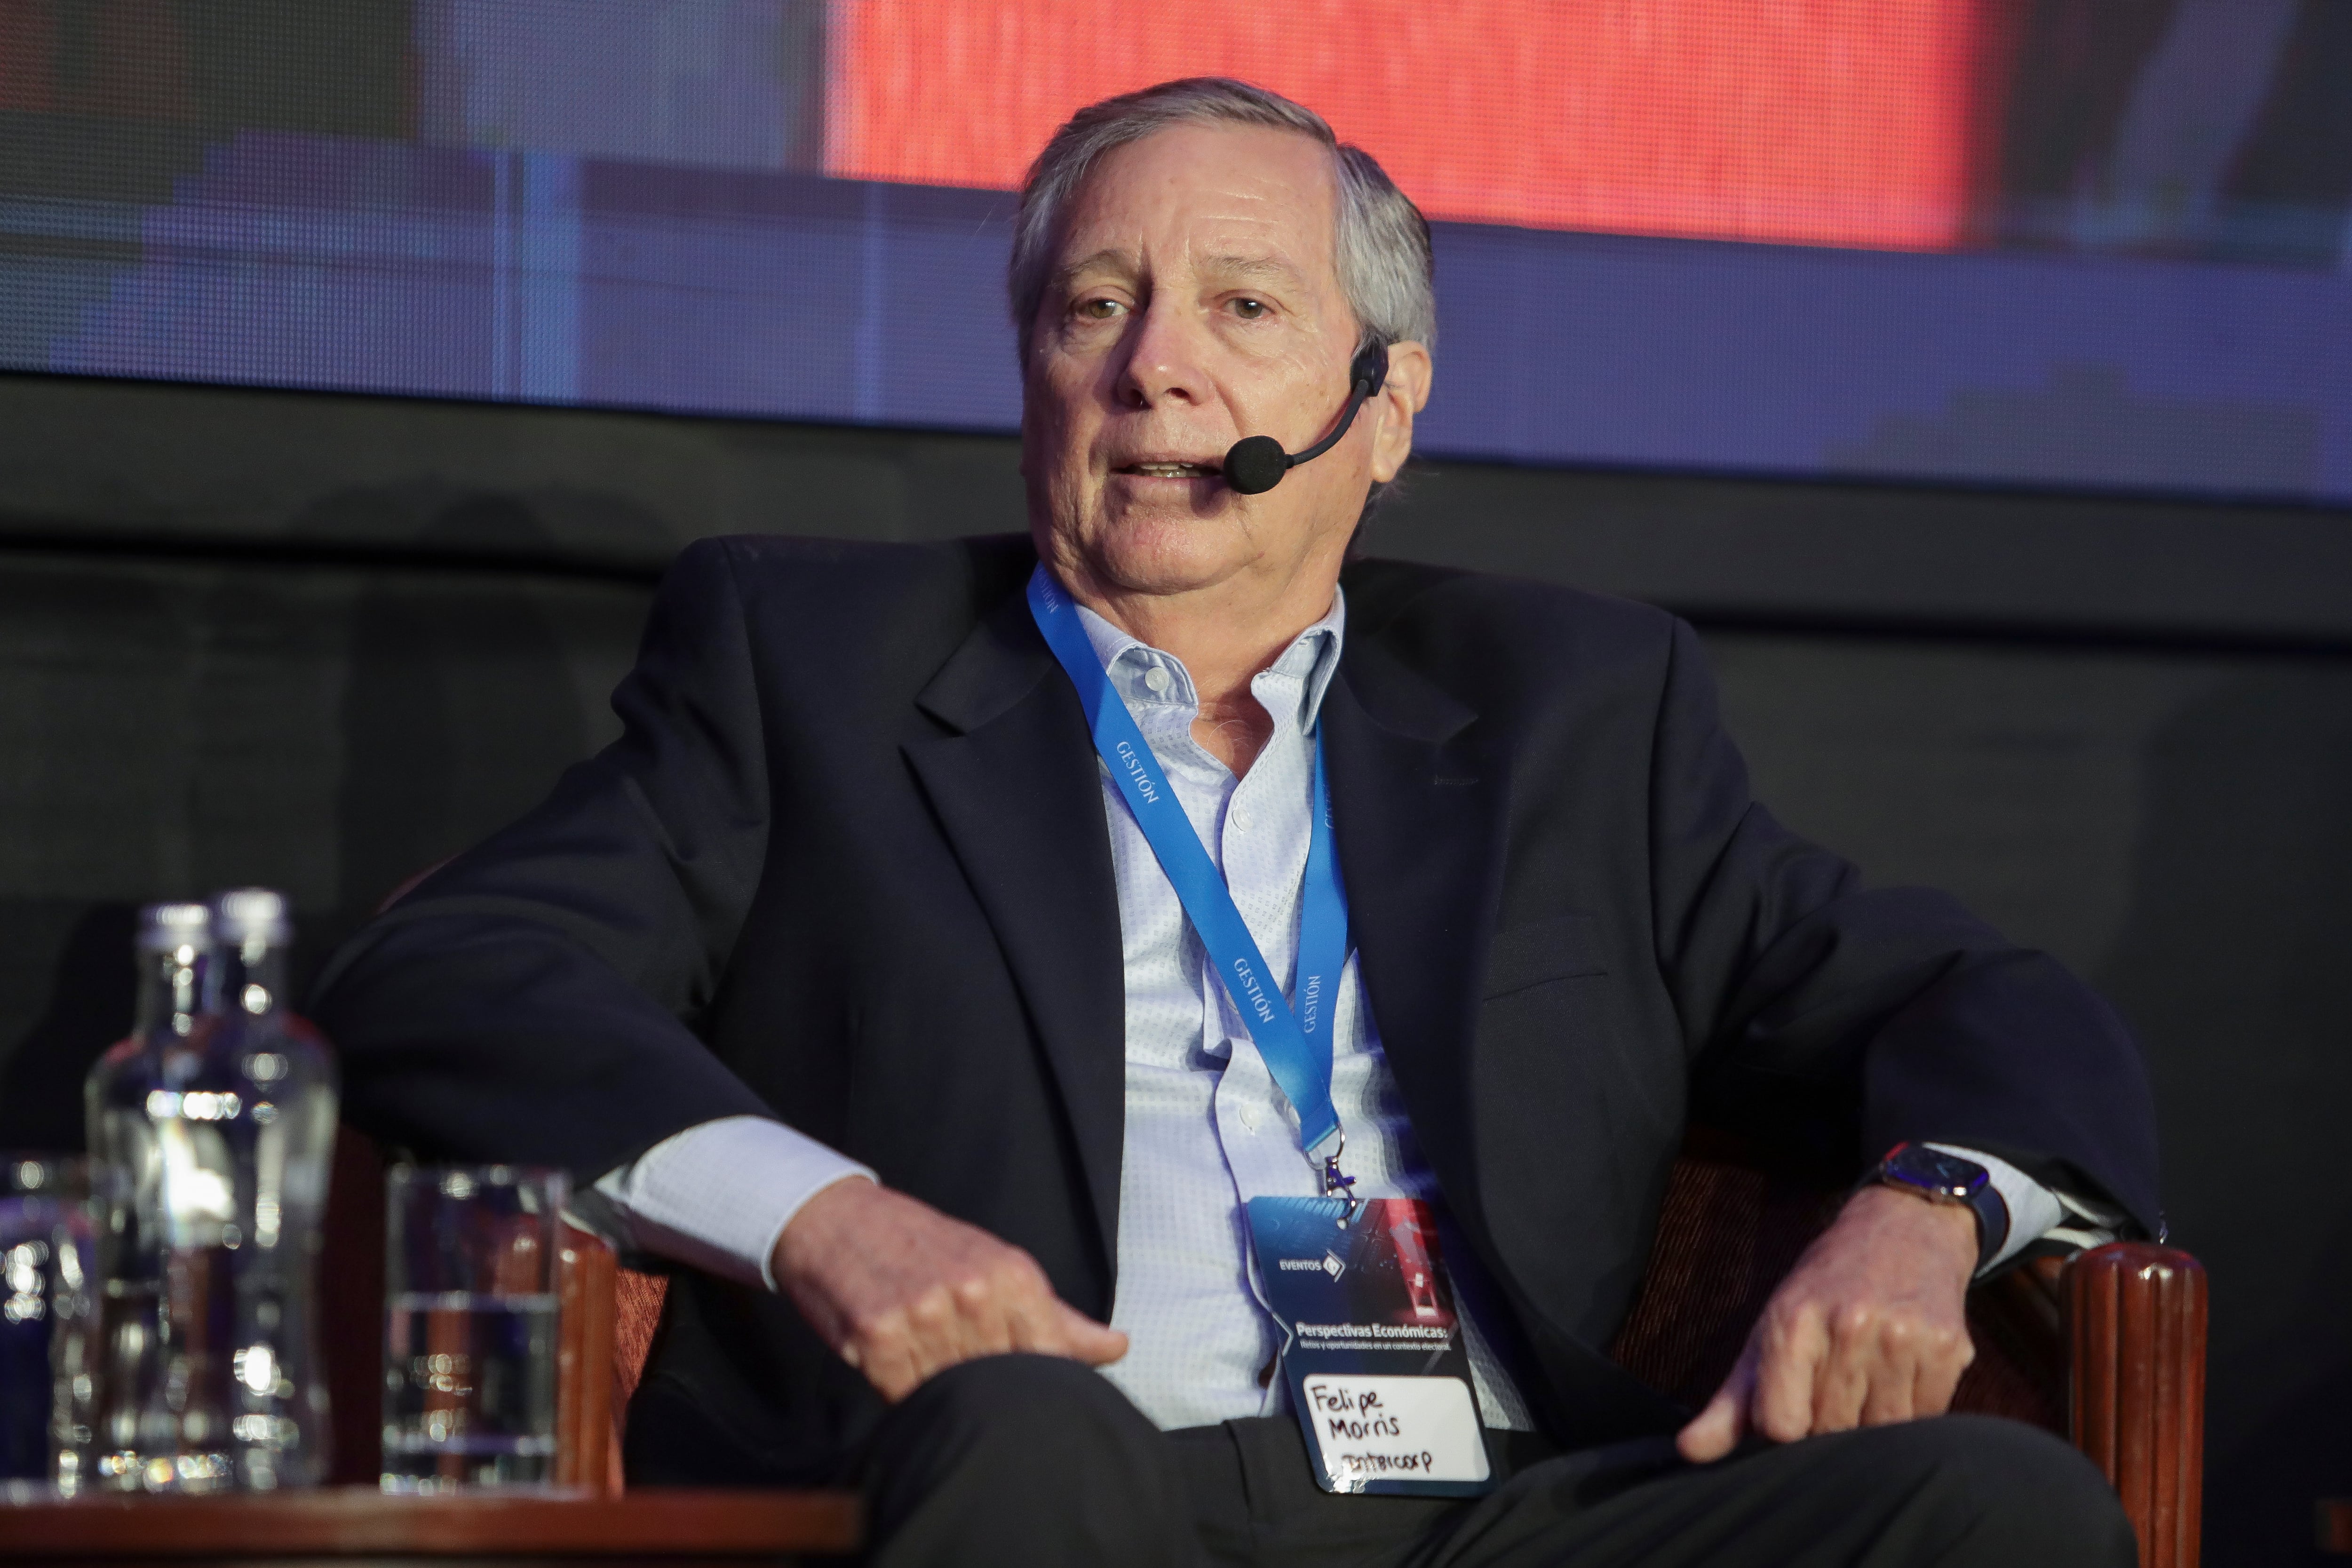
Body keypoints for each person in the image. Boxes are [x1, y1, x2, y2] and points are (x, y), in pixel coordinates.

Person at [313, 78, 2158, 1567]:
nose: (1151, 370)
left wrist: (1921, 1214)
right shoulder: (811, 668)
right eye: (1089, 306)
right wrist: (830, 1221)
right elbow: (457, 967)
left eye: (1243, 310)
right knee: (1027, 1435)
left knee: (1998, 1508)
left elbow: (1973, 998)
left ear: (1383, 410)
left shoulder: (1570, 713)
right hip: (1058, 1464)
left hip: (1502, 1503)